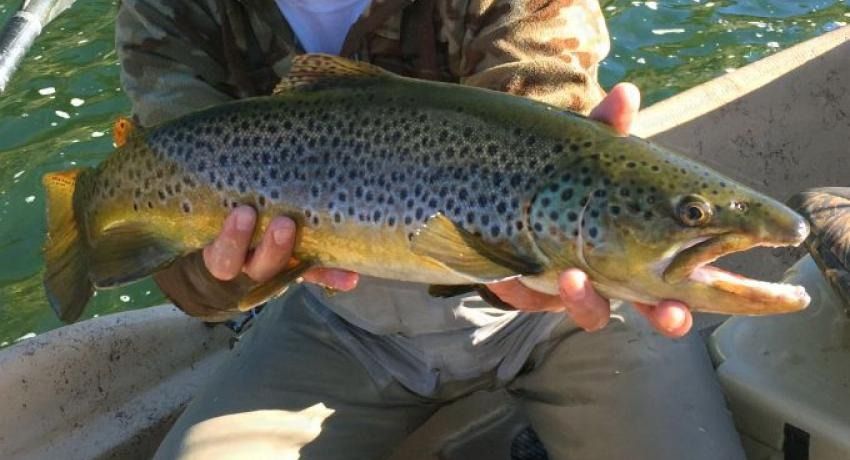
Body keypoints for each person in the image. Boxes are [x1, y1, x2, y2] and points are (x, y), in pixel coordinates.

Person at [115, 0, 745, 458]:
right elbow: (182, 234)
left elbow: (549, 126)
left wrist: (532, 254)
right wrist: (223, 272)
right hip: (341, 326)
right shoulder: (167, 13)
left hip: (563, 314)